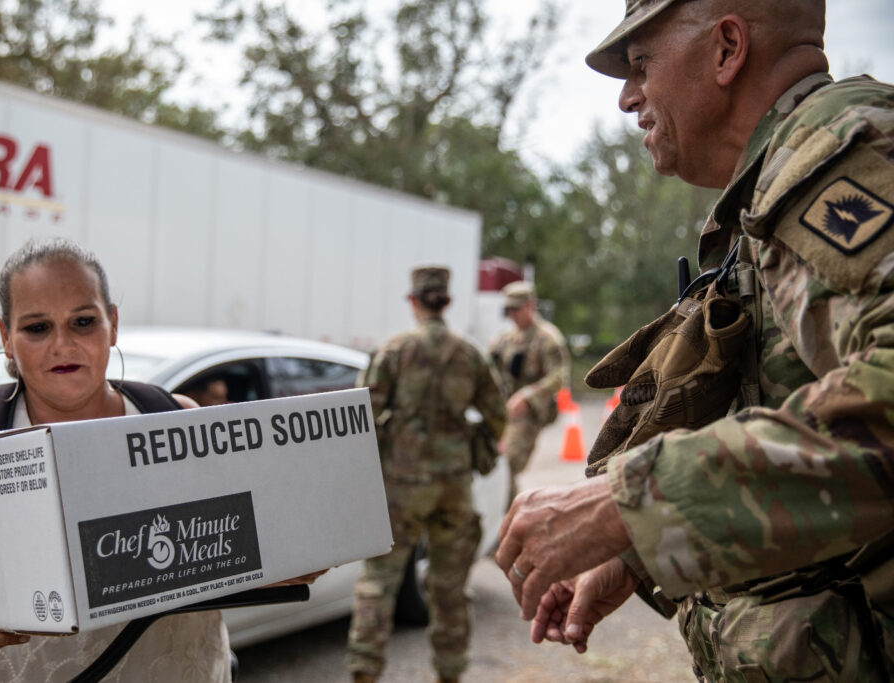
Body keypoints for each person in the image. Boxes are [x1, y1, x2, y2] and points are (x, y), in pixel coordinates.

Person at [494, 0, 894, 680]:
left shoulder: (838, 161)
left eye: (641, 63)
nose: (627, 98)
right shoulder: (775, 191)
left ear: (727, 48)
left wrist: (627, 506)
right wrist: (638, 553)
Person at [0, 237, 233, 682]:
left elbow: (241, 553)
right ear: (5, 336)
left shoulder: (176, 419)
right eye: (37, 327)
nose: (62, 344)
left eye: (83, 321)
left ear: (114, 323)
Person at [347, 266, 507, 683]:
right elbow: (497, 414)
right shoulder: (470, 354)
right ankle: (450, 674)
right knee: (449, 589)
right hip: (454, 485)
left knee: (379, 583)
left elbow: (361, 413)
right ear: (447, 302)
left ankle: (364, 671)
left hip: (401, 486)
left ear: (414, 301)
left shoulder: (394, 351)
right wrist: (479, 443)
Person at [488, 280, 570, 490]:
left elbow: (559, 376)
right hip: (504, 408)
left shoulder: (547, 338)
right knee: (491, 460)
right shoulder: (504, 339)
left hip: (530, 411)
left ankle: (511, 514)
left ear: (530, 306)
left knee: (509, 463)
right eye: (509, 310)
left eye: (516, 309)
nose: (512, 315)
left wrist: (527, 396)